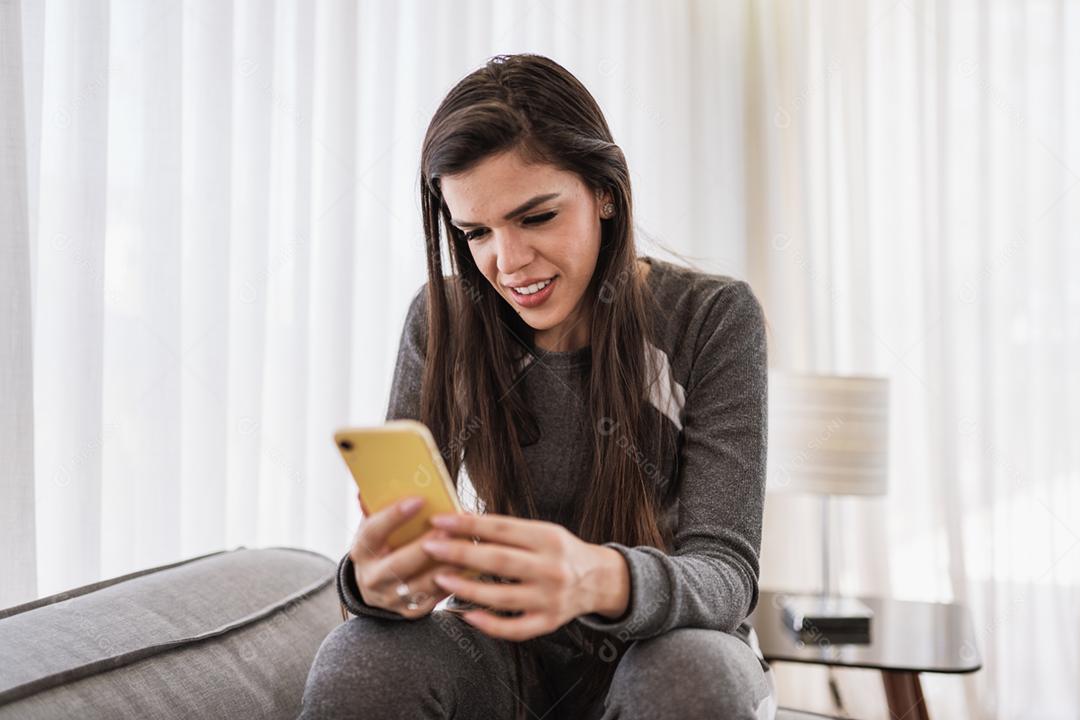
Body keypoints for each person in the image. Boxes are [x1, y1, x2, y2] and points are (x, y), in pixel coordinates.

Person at [300, 53, 777, 720]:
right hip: (502, 663)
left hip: (664, 653)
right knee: (363, 654)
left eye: (536, 217)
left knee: (691, 673)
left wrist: (592, 576)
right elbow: (398, 560)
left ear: (605, 192)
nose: (508, 261)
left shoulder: (712, 318)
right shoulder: (444, 322)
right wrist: (373, 584)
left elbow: (726, 575)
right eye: (475, 232)